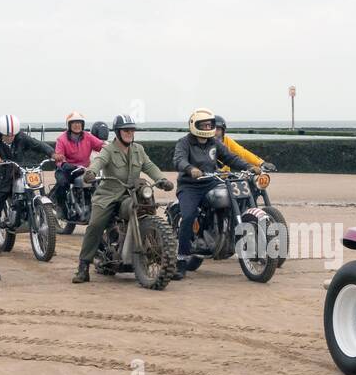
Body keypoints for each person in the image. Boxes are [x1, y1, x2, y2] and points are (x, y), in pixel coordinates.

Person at [72, 115, 172, 283]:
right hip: (109, 196)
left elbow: (150, 166)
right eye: (126, 130)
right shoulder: (109, 149)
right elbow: (98, 162)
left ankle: (165, 263)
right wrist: (91, 173)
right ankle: (83, 266)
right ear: (118, 132)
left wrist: (162, 180)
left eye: (132, 130)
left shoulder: (138, 149)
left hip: (132, 194)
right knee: (95, 225)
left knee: (149, 209)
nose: (129, 133)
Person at [173, 107, 254, 273]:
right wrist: (189, 169)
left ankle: (225, 235)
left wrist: (249, 167)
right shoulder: (184, 142)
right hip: (190, 186)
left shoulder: (214, 143)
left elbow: (230, 157)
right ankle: (181, 259)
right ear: (195, 125)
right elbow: (179, 159)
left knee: (228, 201)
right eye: (205, 125)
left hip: (210, 182)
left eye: (210, 125)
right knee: (188, 216)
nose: (209, 128)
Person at [0, 115, 55, 248]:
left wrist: (52, 153)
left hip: (19, 174)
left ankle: (47, 242)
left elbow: (38, 144)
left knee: (33, 195)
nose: (10, 137)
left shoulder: (21, 137)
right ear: (1, 133)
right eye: (7, 135)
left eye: (12, 135)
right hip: (1, 178)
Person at [51, 110, 103, 211]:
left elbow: (101, 145)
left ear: (83, 125)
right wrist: (64, 164)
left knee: (100, 181)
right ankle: (60, 207)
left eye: (79, 123)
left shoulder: (88, 136)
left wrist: (112, 149)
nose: (77, 125)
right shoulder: (61, 139)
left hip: (85, 169)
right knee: (63, 183)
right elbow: (59, 157)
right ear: (69, 125)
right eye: (74, 123)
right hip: (67, 169)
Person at [212, 115, 276, 173]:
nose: (215, 132)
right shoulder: (206, 144)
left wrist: (261, 163)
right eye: (213, 129)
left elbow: (243, 153)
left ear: (223, 131)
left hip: (225, 178)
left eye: (218, 129)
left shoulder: (227, 141)